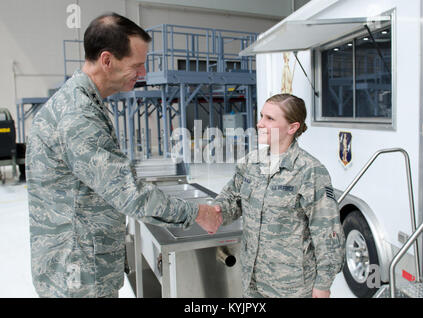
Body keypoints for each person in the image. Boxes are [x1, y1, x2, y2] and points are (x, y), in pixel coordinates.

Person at [26, 12, 221, 298]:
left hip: (79, 264)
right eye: (137, 65)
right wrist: (197, 212)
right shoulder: (78, 115)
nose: (142, 74)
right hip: (78, 274)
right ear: (107, 60)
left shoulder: (85, 102)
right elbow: (129, 194)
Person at [214, 93, 345, 298]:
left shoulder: (310, 171)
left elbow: (327, 232)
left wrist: (323, 284)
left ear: (292, 128)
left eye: (270, 118)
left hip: (290, 288)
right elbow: (231, 200)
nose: (259, 124)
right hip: (252, 280)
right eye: (261, 116)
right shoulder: (251, 163)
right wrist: (214, 210)